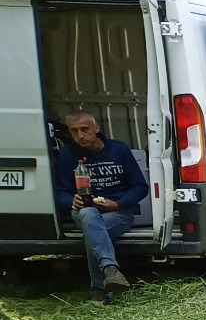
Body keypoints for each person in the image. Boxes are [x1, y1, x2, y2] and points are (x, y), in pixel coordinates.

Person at [52, 110, 148, 304]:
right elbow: (61, 192)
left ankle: (99, 290)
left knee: (93, 233)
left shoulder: (118, 150)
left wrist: (119, 203)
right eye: (74, 131)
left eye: (85, 129)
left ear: (96, 128)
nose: (80, 135)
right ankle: (110, 269)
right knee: (88, 214)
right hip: (83, 210)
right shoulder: (67, 155)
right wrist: (70, 201)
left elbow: (140, 187)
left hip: (117, 212)